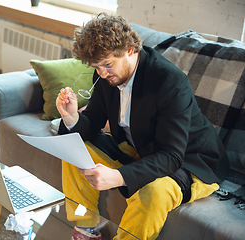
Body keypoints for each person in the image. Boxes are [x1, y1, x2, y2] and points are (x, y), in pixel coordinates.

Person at [55, 13, 229, 240]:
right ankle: (86, 227)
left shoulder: (169, 81)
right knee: (74, 152)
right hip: (142, 149)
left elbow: (171, 156)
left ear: (129, 49)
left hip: (192, 161)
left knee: (152, 194)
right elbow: (94, 122)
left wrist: (119, 176)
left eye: (107, 65)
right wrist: (72, 118)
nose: (101, 73)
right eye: (96, 67)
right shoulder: (106, 77)